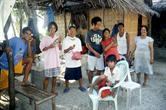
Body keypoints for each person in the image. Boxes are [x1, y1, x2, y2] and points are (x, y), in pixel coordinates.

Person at [62, 25, 86, 93]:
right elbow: (64, 51)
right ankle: (67, 87)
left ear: (76, 32)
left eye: (74, 30)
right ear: (68, 31)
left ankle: (81, 86)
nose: (72, 32)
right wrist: (69, 48)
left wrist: (76, 56)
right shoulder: (65, 40)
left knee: (79, 74)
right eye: (71, 30)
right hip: (69, 61)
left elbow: (80, 50)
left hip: (77, 60)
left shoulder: (78, 40)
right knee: (67, 75)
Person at [39, 22, 61, 94]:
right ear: (48, 29)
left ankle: (53, 90)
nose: (52, 29)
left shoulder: (57, 38)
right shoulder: (45, 38)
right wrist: (49, 47)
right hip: (48, 61)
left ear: (56, 29)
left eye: (54, 28)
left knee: (55, 77)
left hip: (56, 61)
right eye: (51, 28)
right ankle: (44, 92)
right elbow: (42, 48)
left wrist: (60, 42)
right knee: (47, 77)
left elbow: (60, 48)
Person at [85, 16, 104, 84]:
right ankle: (90, 84)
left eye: (100, 24)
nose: (99, 26)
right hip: (92, 55)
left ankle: (95, 82)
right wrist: (95, 52)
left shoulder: (101, 32)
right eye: (98, 24)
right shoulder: (89, 33)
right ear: (93, 24)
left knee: (99, 70)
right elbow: (87, 45)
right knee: (91, 70)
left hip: (100, 55)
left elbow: (104, 42)